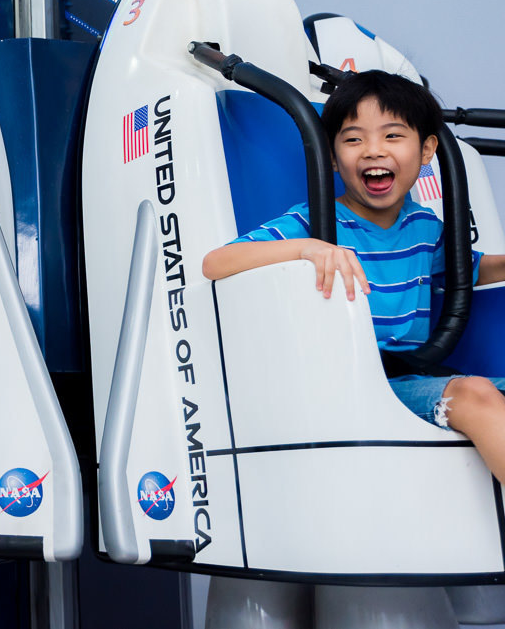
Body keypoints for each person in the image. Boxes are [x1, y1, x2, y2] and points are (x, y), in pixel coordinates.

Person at [203, 70, 505, 483]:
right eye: (353, 139)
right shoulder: (316, 222)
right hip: (353, 384)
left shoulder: (423, 226)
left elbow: (465, 269)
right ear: (331, 156)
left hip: (413, 375)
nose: (373, 151)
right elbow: (216, 262)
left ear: (427, 150)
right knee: (474, 395)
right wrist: (307, 248)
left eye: (392, 136)